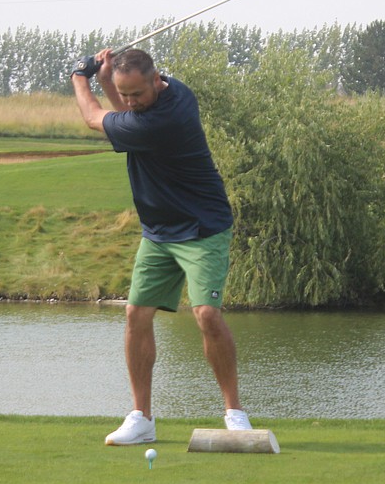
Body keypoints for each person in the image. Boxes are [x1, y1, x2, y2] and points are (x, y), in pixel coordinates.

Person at [71, 48, 252, 445]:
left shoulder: (170, 117)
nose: (131, 102)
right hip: (158, 231)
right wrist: (106, 77)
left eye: (136, 94)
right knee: (136, 314)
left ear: (156, 80)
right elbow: (127, 112)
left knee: (206, 314)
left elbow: (92, 117)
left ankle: (234, 413)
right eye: (125, 94)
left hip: (202, 227)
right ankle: (141, 418)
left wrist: (80, 76)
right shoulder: (173, 91)